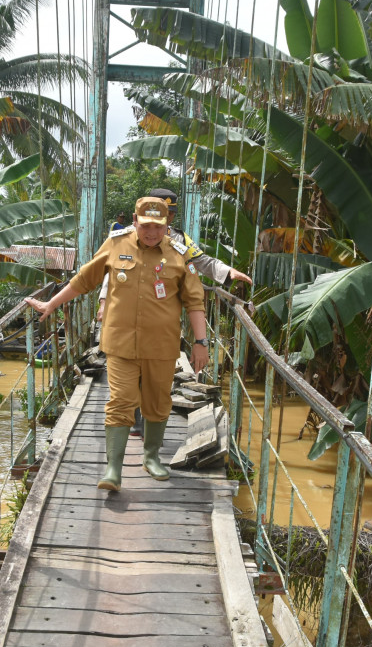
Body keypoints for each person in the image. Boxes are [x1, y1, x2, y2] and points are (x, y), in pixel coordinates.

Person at [25, 197, 208, 492]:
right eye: (146, 225)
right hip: (121, 343)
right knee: (120, 401)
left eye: (158, 227)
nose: (151, 232)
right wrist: (51, 304)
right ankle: (113, 468)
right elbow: (84, 280)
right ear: (135, 222)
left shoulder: (179, 254)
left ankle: (151, 457)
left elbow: (195, 302)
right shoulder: (116, 244)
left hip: (161, 346)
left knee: (158, 403)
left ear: (166, 226)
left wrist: (201, 343)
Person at [97, 187, 253, 438]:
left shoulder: (180, 240)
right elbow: (114, 272)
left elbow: (202, 261)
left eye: (171, 213)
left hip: (162, 317)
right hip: (128, 315)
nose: (166, 217)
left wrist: (227, 272)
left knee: (154, 372)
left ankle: (150, 423)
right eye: (163, 211)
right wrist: (104, 301)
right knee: (132, 367)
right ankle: (135, 416)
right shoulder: (125, 236)